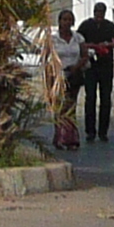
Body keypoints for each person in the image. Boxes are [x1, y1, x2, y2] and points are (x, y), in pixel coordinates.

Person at [75, 1, 114, 143]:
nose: (99, 15)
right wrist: (90, 46)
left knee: (106, 99)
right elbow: (77, 41)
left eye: (101, 12)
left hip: (106, 65)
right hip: (91, 65)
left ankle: (103, 131)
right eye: (97, 12)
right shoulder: (86, 25)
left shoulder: (110, 26)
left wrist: (107, 44)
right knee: (90, 98)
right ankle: (90, 131)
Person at [45, 9, 85, 150]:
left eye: (69, 20)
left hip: (73, 75)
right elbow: (46, 58)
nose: (67, 22)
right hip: (58, 76)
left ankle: (72, 138)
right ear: (59, 21)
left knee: (71, 106)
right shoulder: (53, 39)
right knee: (60, 106)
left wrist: (77, 66)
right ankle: (60, 136)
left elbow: (85, 55)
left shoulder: (78, 38)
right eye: (64, 19)